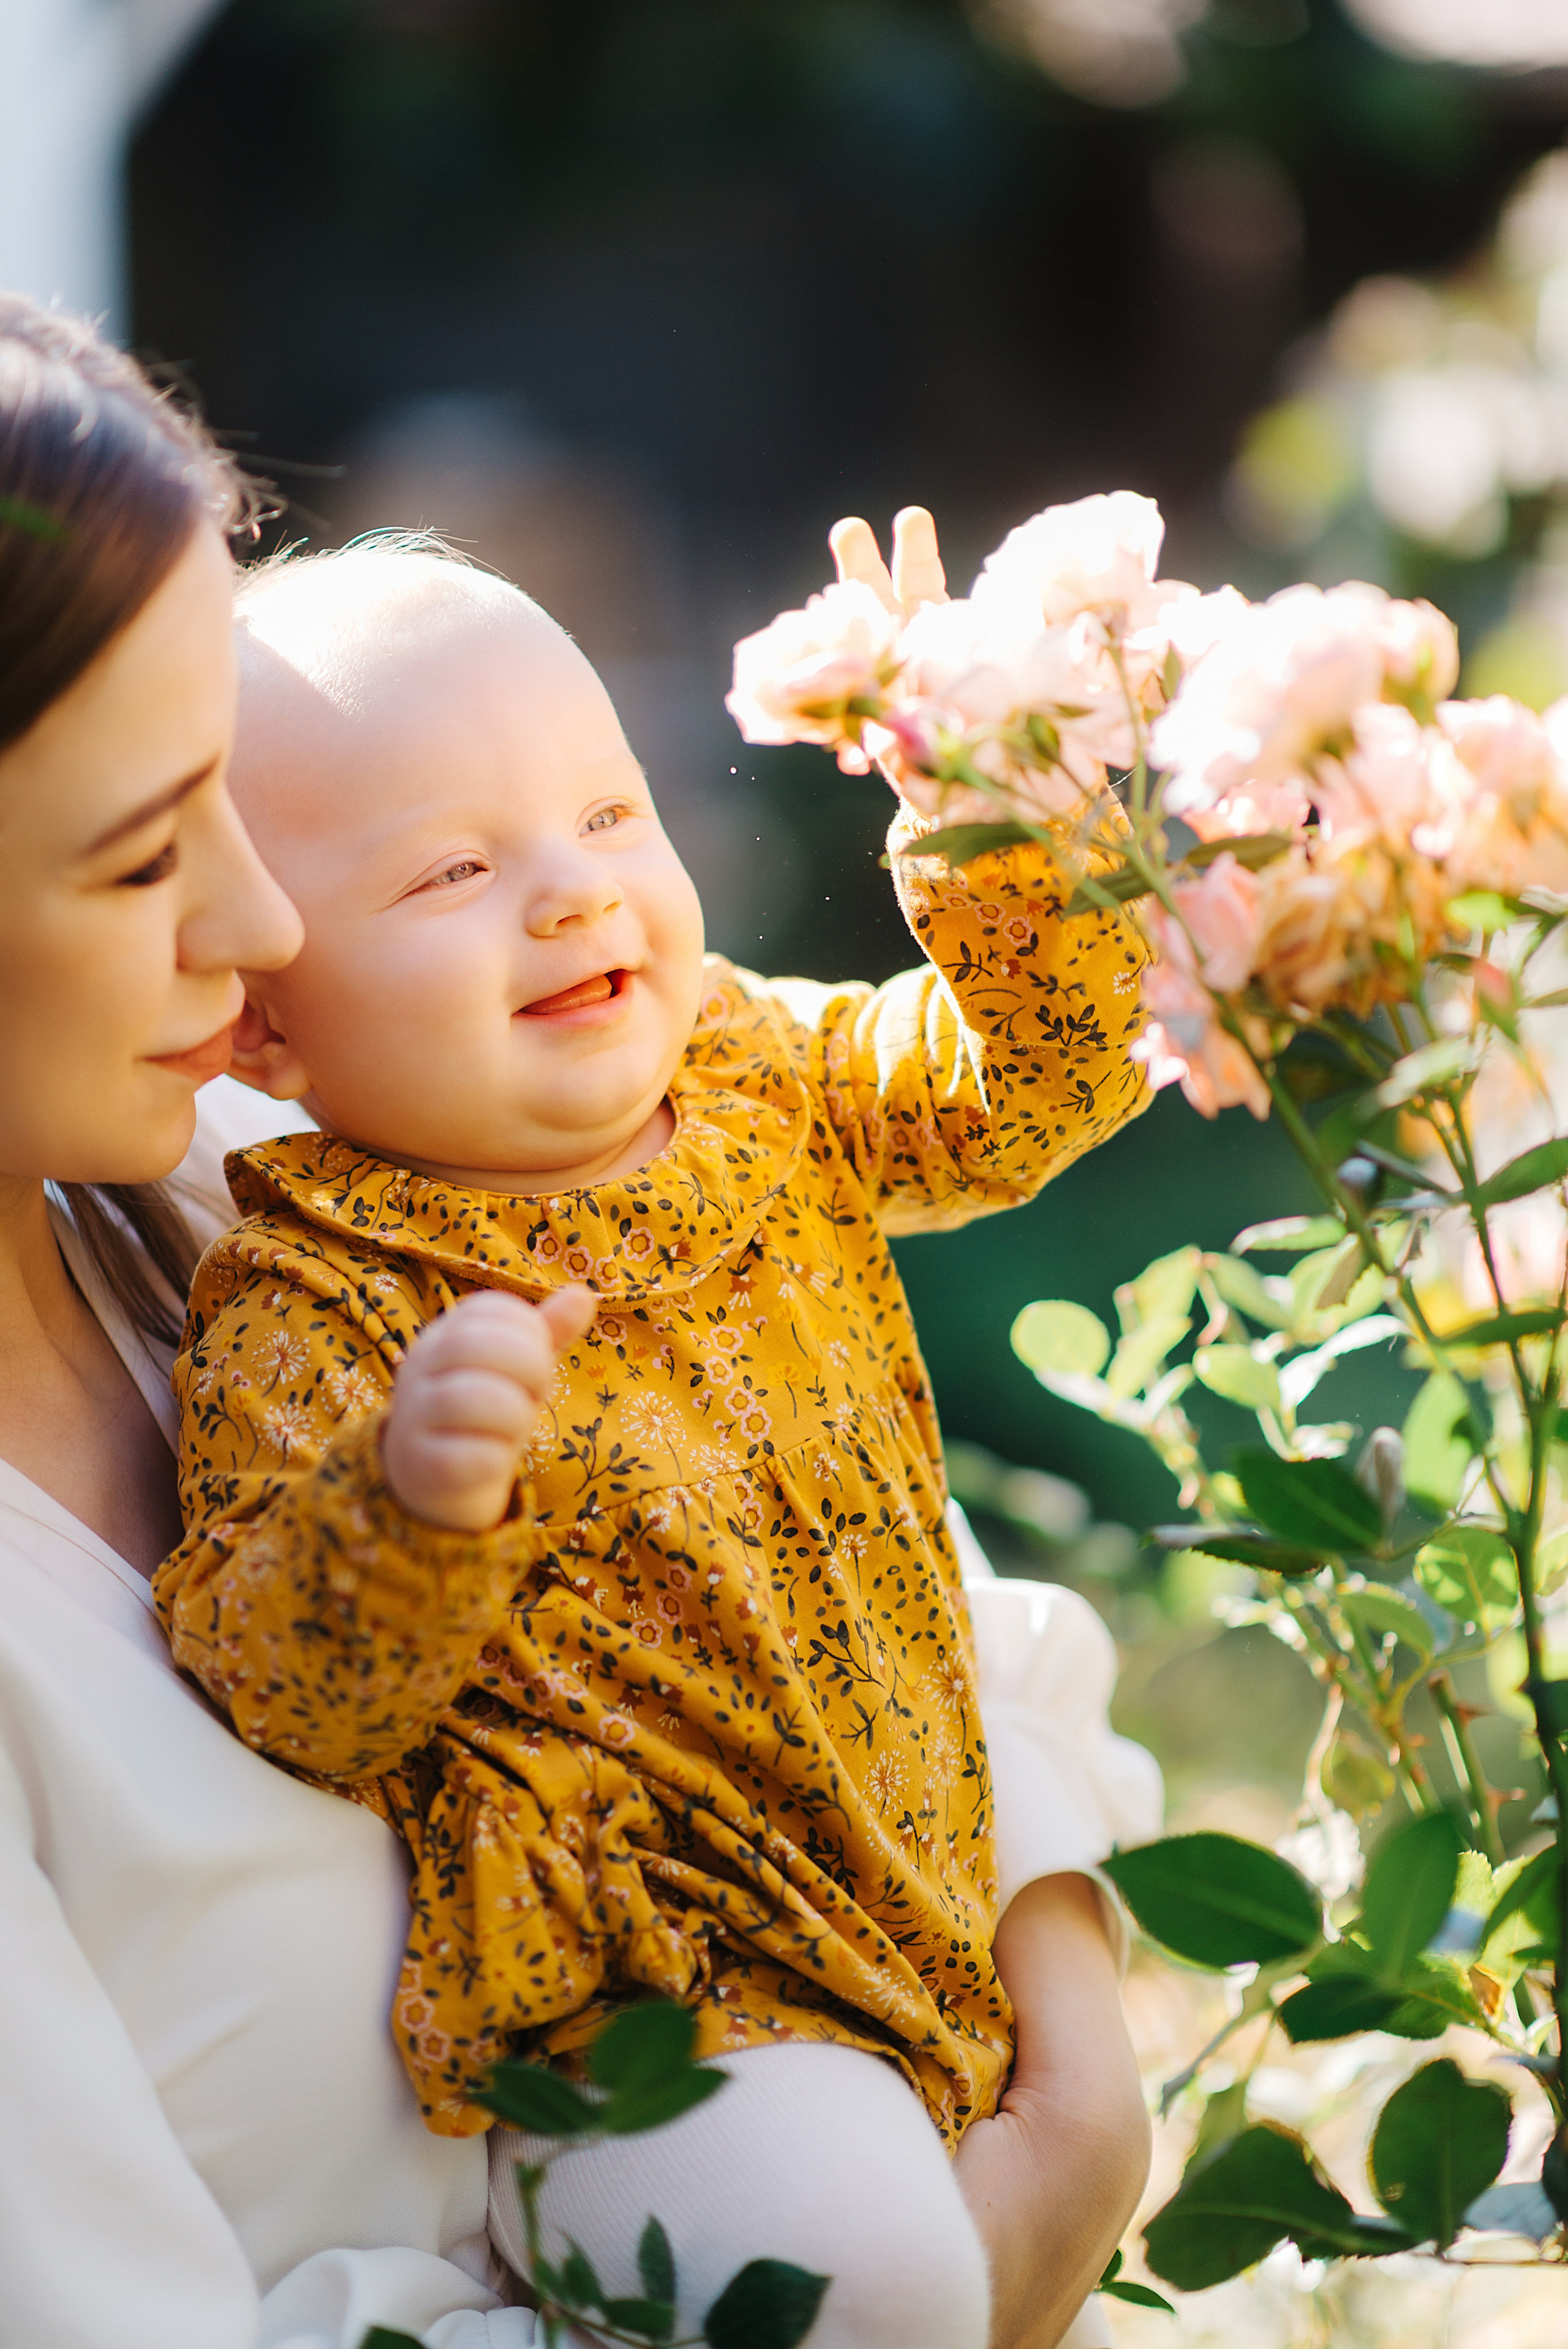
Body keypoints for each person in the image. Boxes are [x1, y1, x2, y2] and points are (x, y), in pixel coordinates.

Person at [156, 530, 1158, 2347]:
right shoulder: (318, 1293)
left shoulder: (755, 1071)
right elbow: (285, 1690)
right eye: (454, 869)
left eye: (611, 812)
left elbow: (1030, 1090)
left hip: (920, 1885)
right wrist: (407, 1502)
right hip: (654, 1992)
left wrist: (994, 820)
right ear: (264, 1021)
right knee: (868, 2283)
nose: (571, 892)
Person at [0, 293, 539, 2347]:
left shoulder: (240, 1181)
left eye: (235, 781)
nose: (267, 919)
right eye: (147, 854)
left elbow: (896, 1570)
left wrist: (1063, 2109)